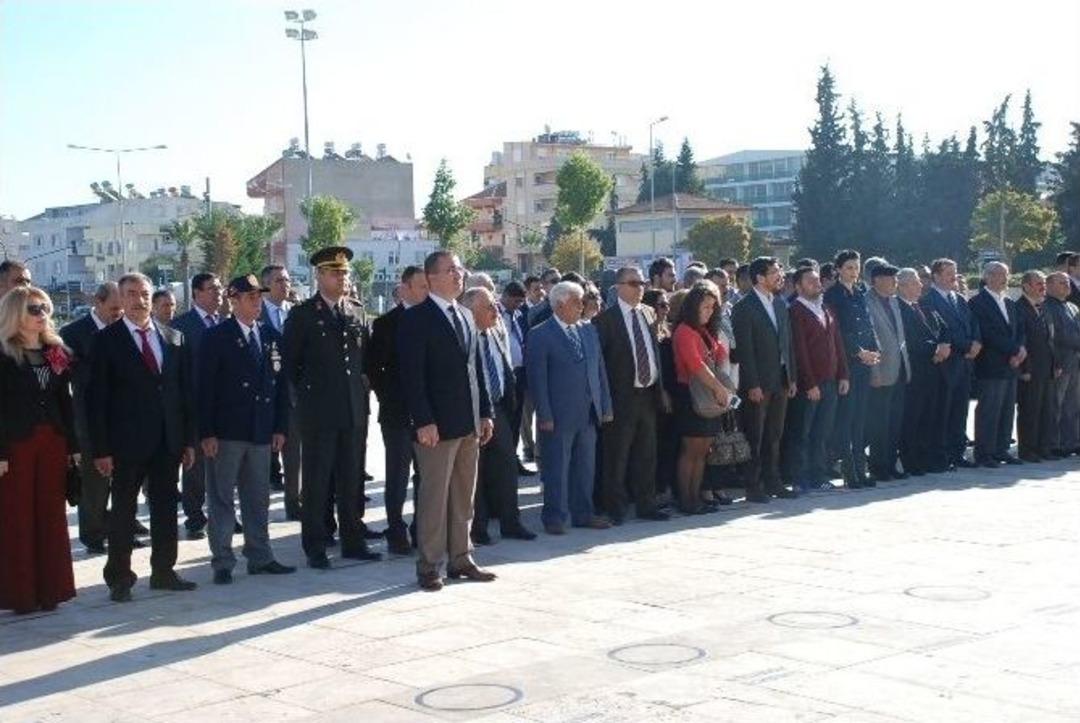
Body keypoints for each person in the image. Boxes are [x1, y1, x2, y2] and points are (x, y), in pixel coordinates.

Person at [90, 273, 197, 602]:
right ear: (120, 299)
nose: (140, 299)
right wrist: (101, 449)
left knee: (165, 509)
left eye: (145, 293)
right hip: (126, 444)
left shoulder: (174, 337)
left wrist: (189, 440)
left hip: (167, 441)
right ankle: (119, 578)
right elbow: (95, 399)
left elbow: (185, 394)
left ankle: (164, 571)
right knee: (123, 512)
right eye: (132, 293)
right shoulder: (106, 341)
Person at [398, 251, 495, 591]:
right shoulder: (416, 319)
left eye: (460, 269)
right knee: (434, 497)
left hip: (467, 421)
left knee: (463, 494)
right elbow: (412, 377)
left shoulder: (466, 315)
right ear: (432, 278)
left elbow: (477, 369)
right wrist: (423, 419)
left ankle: (461, 557)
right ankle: (429, 565)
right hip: (435, 427)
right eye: (451, 270)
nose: (459, 275)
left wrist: (485, 412)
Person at [283, 246, 381, 569]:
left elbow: (363, 360)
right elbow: (291, 367)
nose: (342, 278)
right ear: (320, 276)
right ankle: (315, 545)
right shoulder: (302, 315)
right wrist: (306, 403)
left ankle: (353, 541)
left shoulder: (355, 311)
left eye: (345, 273)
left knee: (351, 480)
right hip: (319, 413)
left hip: (353, 410)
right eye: (335, 273)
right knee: (316, 481)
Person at [198, 275, 295, 585]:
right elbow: (204, 389)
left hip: (260, 431)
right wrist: (207, 432)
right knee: (222, 499)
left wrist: (280, 427)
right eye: (250, 296)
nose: (257, 301)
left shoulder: (270, 336)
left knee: (258, 498)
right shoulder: (216, 337)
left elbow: (279, 387)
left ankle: (260, 555)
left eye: (258, 296)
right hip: (227, 432)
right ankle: (223, 561)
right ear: (233, 300)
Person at [0, 287, 78, 613]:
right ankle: (20, 595)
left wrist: (74, 447)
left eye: (45, 307)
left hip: (53, 442)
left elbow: (66, 401)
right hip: (16, 444)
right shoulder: (3, 354)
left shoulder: (56, 352)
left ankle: (52, 591)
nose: (42, 314)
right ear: (16, 313)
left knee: (51, 516)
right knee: (16, 518)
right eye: (34, 308)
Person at [527, 280, 613, 533]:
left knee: (585, 467)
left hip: (587, 412)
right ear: (561, 304)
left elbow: (599, 371)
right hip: (557, 414)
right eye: (577, 301)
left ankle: (583, 513)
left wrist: (605, 405)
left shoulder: (588, 330)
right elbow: (537, 379)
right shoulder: (540, 334)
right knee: (557, 469)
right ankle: (554, 517)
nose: (582, 306)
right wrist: (544, 414)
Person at [593, 267, 668, 523]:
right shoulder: (606, 320)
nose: (640, 288)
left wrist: (661, 390)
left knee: (647, 454)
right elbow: (600, 364)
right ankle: (615, 506)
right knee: (617, 456)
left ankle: (646, 504)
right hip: (620, 398)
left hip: (647, 395)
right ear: (619, 287)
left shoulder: (648, 313)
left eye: (642, 283)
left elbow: (653, 353)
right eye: (634, 283)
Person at [463, 287, 535, 544]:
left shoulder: (495, 331)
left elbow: (504, 368)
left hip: (500, 410)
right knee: (477, 473)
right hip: (472, 413)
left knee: (506, 466)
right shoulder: (464, 336)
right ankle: (478, 528)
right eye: (489, 307)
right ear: (471, 311)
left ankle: (511, 522)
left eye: (495, 305)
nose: (496, 310)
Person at [367, 265, 427, 554]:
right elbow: (373, 369)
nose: (426, 292)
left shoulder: (433, 319)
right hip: (397, 414)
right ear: (404, 288)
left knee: (425, 474)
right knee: (398, 474)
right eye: (420, 286)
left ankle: (422, 527)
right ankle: (395, 528)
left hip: (427, 415)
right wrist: (388, 397)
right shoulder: (386, 324)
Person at [60, 282, 123, 555]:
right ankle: (93, 535)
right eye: (113, 309)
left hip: (122, 418)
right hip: (88, 419)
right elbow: (70, 378)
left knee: (123, 481)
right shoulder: (72, 334)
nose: (117, 314)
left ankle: (121, 529)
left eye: (121, 310)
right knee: (94, 483)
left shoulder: (124, 330)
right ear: (98, 302)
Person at [731, 256, 798, 503]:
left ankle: (774, 481)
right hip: (758, 383)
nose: (779, 276)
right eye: (774, 273)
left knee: (774, 435)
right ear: (759, 278)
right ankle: (753, 485)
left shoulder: (779, 304)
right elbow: (745, 350)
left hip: (780, 379)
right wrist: (752, 384)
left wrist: (791, 377)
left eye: (779, 271)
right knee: (755, 436)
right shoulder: (744, 307)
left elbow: (787, 344)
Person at [671, 281, 733, 513]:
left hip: (707, 395)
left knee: (703, 451)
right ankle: (686, 500)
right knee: (691, 450)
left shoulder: (704, 331)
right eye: (705, 307)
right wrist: (719, 388)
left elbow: (720, 354)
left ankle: (695, 497)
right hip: (691, 394)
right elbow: (696, 366)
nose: (709, 311)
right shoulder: (685, 331)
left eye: (712, 307)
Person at [171, 272, 225, 539]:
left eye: (220, 288)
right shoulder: (180, 326)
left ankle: (223, 515)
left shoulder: (227, 323)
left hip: (224, 408)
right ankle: (194, 517)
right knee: (195, 467)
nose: (218, 293)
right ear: (196, 294)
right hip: (194, 408)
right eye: (212, 289)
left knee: (224, 466)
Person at [788, 267, 849, 491]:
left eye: (817, 280)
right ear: (798, 286)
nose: (816, 284)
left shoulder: (826, 308)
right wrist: (809, 383)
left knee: (822, 431)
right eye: (810, 281)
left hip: (830, 380)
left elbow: (837, 344)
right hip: (810, 384)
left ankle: (818, 474)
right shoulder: (795, 310)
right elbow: (799, 351)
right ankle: (800, 477)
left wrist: (843, 373)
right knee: (803, 431)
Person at [824, 250, 881, 487]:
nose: (853, 272)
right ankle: (849, 471)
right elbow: (837, 330)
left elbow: (867, 324)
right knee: (846, 419)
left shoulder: (859, 293)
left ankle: (861, 468)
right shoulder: (832, 295)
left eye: (856, 267)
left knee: (860, 418)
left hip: (864, 363)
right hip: (846, 363)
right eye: (848, 267)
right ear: (838, 269)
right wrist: (859, 351)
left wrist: (874, 350)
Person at [923, 259, 981, 470]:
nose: (953, 276)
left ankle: (958, 453)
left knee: (960, 410)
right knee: (943, 411)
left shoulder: (959, 299)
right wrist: (967, 346)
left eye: (955, 272)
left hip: (964, 364)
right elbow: (944, 331)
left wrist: (977, 342)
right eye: (948, 273)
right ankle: (941, 454)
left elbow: (973, 323)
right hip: (946, 365)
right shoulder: (928, 300)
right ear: (936, 276)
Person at [969, 262, 1026, 467]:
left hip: (1011, 364)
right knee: (989, 410)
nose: (1005, 278)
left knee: (1006, 409)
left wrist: (1020, 349)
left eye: (1006, 274)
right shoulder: (978, 302)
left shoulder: (1009, 302)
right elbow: (988, 332)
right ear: (988, 277)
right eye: (1001, 274)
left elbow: (1019, 329)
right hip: (991, 364)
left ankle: (1002, 449)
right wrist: (1013, 350)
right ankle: (985, 453)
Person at [897, 267, 950, 476]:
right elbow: (909, 341)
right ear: (903, 285)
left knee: (930, 417)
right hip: (916, 372)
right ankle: (911, 460)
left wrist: (944, 345)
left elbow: (944, 328)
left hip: (934, 371)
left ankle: (927, 457)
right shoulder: (899, 308)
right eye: (916, 282)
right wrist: (935, 348)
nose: (921, 285)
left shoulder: (924, 306)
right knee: (913, 418)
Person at [865, 264, 911, 481]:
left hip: (900, 368)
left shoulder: (893, 301)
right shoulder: (866, 301)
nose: (895, 282)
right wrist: (874, 371)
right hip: (881, 371)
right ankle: (878, 466)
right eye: (891, 278)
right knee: (879, 423)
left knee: (895, 421)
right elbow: (870, 339)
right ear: (876, 281)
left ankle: (891, 464)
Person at [259, 265, 299, 512]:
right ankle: (256, 507)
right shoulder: (255, 312)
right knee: (260, 455)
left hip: (292, 393)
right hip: (263, 392)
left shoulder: (297, 313)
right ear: (266, 286)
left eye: (287, 279)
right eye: (278, 281)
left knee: (294, 453)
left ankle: (294, 503)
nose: (284, 284)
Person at [1015, 270, 1056, 462]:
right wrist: (1024, 369)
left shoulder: (1044, 307)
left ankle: (1043, 447)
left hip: (1047, 368)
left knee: (1046, 410)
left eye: (1043, 283)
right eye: (1038, 283)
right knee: (1030, 411)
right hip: (1030, 370)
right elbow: (1021, 341)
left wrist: (1055, 364)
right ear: (1026, 286)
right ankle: (1028, 449)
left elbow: (1050, 340)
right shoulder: (1018, 308)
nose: (1043, 287)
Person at [498, 281, 532, 475]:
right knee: (507, 418)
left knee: (517, 418)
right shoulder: (496, 313)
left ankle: (513, 458)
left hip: (520, 373)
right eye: (516, 301)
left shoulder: (519, 315)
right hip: (504, 374)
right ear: (507, 296)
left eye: (521, 301)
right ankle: (504, 461)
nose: (519, 305)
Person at [1045, 272, 1080, 456]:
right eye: (1061, 283)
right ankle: (1054, 443)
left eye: (1067, 282)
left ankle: (1072, 441)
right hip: (1060, 361)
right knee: (1055, 404)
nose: (1067, 285)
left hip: (1075, 361)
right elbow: (1050, 338)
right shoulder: (1047, 306)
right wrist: (1055, 362)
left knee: (1073, 405)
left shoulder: (1072, 307)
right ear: (1049, 286)